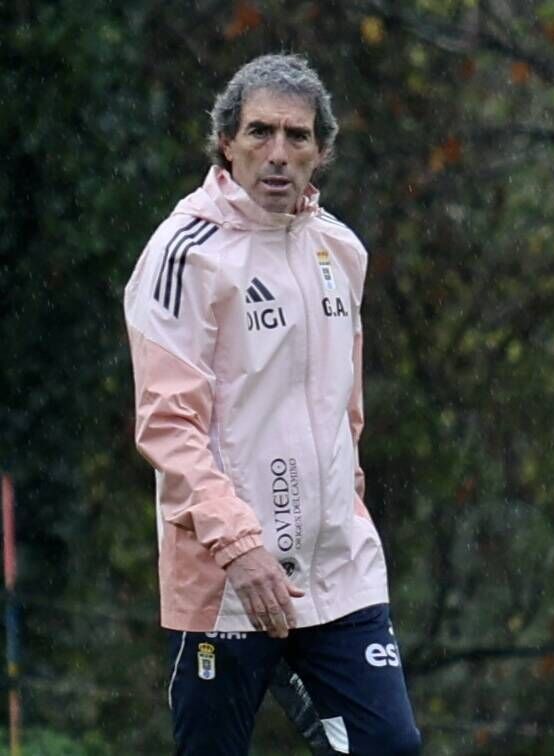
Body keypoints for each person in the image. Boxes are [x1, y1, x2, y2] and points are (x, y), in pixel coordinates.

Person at [124, 53, 421, 755]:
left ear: (322, 149)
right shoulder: (184, 253)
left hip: (337, 574)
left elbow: (344, 411)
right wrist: (241, 545)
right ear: (226, 141)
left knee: (391, 746)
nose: (279, 154)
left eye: (298, 136)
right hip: (227, 581)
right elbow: (168, 425)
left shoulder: (340, 250)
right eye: (261, 133)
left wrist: (346, 504)